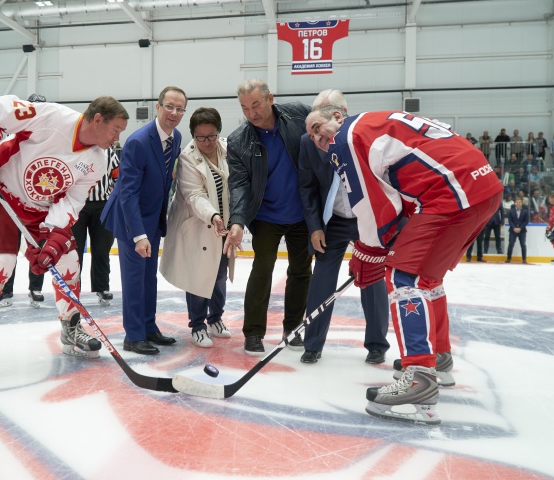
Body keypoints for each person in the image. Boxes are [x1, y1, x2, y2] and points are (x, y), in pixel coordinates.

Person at [306, 106, 503, 424]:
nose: (317, 136)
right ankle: (437, 358)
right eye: (312, 135)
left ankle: (419, 377)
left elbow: (369, 203)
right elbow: (401, 196)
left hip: (452, 191)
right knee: (427, 278)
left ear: (338, 117)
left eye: (318, 126)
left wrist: (367, 251)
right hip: (480, 184)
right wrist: (378, 247)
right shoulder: (373, 122)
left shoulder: (346, 138)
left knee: (402, 277)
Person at [0, 94, 129, 380]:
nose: (117, 138)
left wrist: (52, 241)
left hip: (38, 211)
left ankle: (70, 326)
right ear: (98, 119)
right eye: (116, 130)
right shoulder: (52, 117)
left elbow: (71, 202)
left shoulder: (98, 161)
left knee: (69, 261)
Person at [297, 89, 389, 365]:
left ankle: (376, 344)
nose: (317, 134)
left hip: (367, 219)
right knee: (322, 279)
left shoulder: (364, 137)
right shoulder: (308, 142)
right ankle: (312, 344)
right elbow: (307, 187)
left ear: (341, 115)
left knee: (372, 278)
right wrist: (315, 227)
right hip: (333, 220)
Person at [222, 79, 312, 356]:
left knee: (300, 272)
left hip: (302, 214)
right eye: (245, 108)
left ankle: (293, 327)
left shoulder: (299, 114)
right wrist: (236, 221)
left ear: (270, 98)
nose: (251, 113)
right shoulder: (238, 141)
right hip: (265, 216)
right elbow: (239, 185)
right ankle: (253, 333)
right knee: (262, 270)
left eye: (256, 105)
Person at [101, 86, 186, 355]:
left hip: (152, 218)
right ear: (158, 107)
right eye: (169, 106)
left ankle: (149, 327)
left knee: (149, 278)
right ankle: (134, 335)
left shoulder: (176, 137)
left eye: (180, 108)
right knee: (135, 279)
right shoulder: (138, 141)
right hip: (130, 220)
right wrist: (138, 234)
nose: (174, 113)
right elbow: (127, 192)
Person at [160, 107, 235, 348]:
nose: (207, 142)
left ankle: (215, 319)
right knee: (200, 276)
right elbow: (194, 195)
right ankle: (198, 325)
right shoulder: (187, 157)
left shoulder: (227, 149)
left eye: (211, 135)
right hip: (199, 225)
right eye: (201, 137)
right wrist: (212, 215)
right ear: (193, 135)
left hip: (224, 228)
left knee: (219, 275)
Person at [72, 143, 119, 306]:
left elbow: (117, 176)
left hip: (103, 206)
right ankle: (73, 288)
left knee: (102, 249)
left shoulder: (108, 151)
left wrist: (114, 198)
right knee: (74, 251)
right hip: (77, 205)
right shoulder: (75, 150)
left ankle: (102, 287)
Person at [506, 197, 529, 263]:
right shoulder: (511, 211)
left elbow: (526, 221)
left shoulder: (525, 211)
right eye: (517, 202)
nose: (518, 203)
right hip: (513, 230)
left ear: (521, 203)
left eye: (519, 202)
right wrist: (514, 228)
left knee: (523, 245)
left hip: (522, 231)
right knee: (511, 244)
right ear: (515, 203)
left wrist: (520, 228)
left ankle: (524, 259)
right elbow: (510, 221)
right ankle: (508, 258)